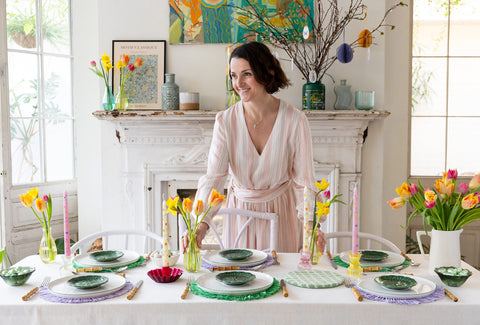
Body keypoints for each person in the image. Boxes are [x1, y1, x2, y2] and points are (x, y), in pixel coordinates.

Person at [186, 41, 326, 253]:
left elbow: (303, 181)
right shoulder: (225, 121)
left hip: (283, 215)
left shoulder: (295, 120)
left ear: (267, 72)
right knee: (242, 280)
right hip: (240, 215)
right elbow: (215, 178)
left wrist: (311, 226)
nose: (238, 83)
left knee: (281, 280)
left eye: (247, 74)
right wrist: (199, 226)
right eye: (233, 75)